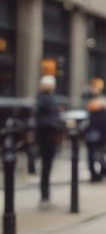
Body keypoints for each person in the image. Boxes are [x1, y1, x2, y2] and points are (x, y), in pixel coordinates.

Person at [33, 75, 64, 207]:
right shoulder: (46, 99)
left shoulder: (44, 98)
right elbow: (48, 119)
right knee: (46, 165)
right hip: (47, 136)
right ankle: (45, 195)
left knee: (46, 166)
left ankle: (45, 195)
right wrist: (59, 124)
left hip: (47, 136)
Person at [86, 77, 106, 182]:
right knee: (96, 155)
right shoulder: (93, 104)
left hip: (99, 134)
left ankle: (104, 172)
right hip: (95, 133)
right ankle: (101, 172)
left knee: (98, 155)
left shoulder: (102, 106)